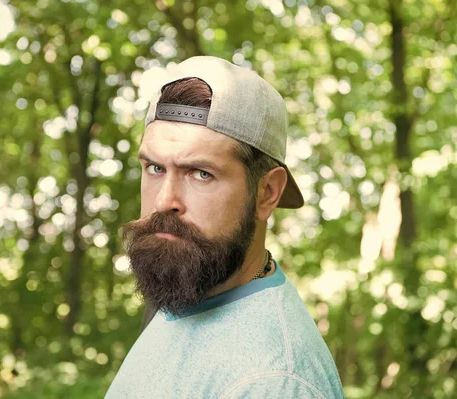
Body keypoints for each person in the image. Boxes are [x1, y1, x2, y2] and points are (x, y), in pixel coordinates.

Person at [105, 56, 344, 398]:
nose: (164, 201)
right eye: (155, 168)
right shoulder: (186, 292)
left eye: (201, 173)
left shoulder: (271, 382)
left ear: (267, 193)